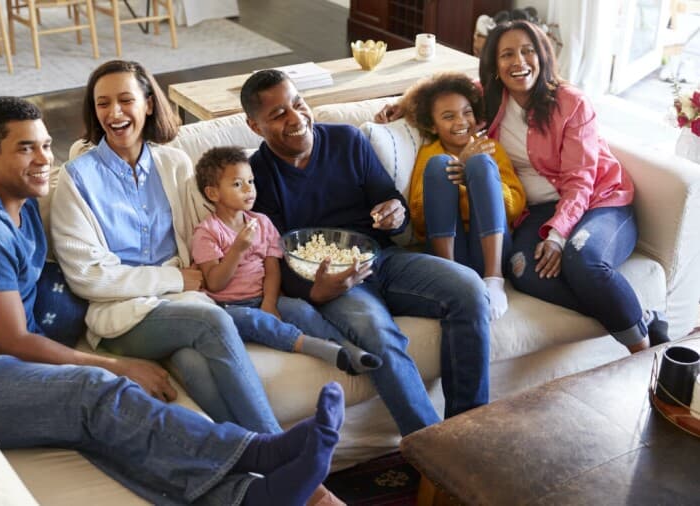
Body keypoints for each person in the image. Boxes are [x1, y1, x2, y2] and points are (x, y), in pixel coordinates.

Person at [0, 96, 346, 506]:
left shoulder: (23, 202)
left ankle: (251, 496)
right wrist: (117, 365)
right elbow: (12, 339)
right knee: (96, 391)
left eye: (46, 145)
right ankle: (261, 450)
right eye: (25, 148)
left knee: (109, 432)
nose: (43, 160)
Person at [240, 69, 492, 437]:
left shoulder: (347, 140)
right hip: (333, 283)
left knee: (468, 289)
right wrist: (317, 291)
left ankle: (469, 427)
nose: (296, 119)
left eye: (298, 104)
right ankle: (431, 446)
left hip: (384, 260)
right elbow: (272, 257)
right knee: (376, 333)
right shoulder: (256, 178)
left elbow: (387, 198)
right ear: (254, 125)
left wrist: (394, 211)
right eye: (278, 115)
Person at [49, 60, 287, 435]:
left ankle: (255, 461)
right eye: (103, 104)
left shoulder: (174, 164)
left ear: (147, 103)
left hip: (179, 306)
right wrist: (174, 278)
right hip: (122, 315)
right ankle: (282, 449)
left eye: (126, 100)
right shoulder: (77, 177)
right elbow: (87, 278)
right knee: (212, 321)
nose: (114, 113)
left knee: (192, 365)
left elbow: (205, 232)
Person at [478, 20, 668, 352]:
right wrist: (405, 107)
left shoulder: (571, 103)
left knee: (582, 259)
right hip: (538, 212)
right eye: (507, 54)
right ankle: (641, 314)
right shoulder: (490, 101)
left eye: (528, 51)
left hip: (600, 202)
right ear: (495, 66)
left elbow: (581, 181)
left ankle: (643, 355)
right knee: (522, 270)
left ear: (542, 55)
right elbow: (445, 92)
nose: (519, 62)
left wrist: (557, 237)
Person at [192, 146, 382, 374]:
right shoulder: (207, 232)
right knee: (256, 321)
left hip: (262, 297)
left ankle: (350, 350)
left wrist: (270, 303)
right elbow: (214, 283)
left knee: (301, 310)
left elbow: (272, 268)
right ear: (213, 194)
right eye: (237, 184)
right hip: (227, 307)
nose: (249, 189)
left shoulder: (261, 222)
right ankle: (322, 349)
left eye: (251, 182)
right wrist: (238, 250)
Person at [401, 73, 526, 321]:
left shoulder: (490, 148)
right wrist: (457, 169)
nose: (461, 121)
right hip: (449, 250)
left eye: (466, 112)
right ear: (432, 125)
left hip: (490, 247)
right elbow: (419, 215)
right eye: (448, 116)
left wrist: (472, 180)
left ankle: (494, 279)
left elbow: (513, 207)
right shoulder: (430, 154)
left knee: (480, 163)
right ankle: (450, 279)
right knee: (440, 165)